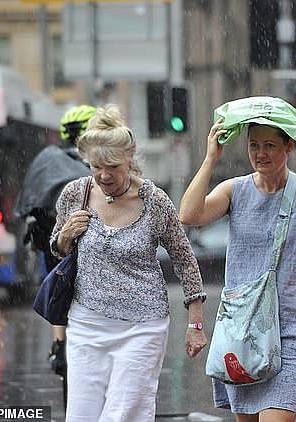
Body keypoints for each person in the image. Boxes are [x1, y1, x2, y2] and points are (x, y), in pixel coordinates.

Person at [50, 104, 207, 420]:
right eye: (96, 167)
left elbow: (184, 259)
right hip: (86, 323)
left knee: (123, 414)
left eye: (113, 166)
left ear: (130, 158)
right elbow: (57, 249)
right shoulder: (74, 194)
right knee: (81, 415)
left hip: (142, 326)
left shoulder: (155, 201)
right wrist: (66, 234)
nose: (104, 175)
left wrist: (196, 323)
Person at [179, 119, 296, 421]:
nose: (260, 153)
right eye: (254, 145)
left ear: (290, 146)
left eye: (270, 145)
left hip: (293, 329)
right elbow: (189, 214)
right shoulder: (235, 189)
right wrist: (210, 159)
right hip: (245, 331)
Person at [14, 104, 96, 381]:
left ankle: (58, 343)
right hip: (90, 253)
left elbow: (31, 204)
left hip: (55, 248)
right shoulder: (100, 163)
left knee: (56, 283)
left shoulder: (47, 159)